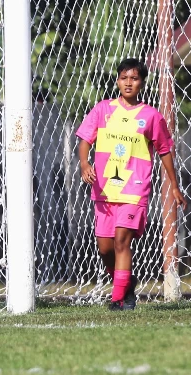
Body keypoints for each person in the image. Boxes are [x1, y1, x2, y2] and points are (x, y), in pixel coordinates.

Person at [76, 58, 187, 311]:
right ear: (117, 80)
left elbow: (165, 150)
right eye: (124, 77)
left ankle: (118, 301)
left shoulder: (151, 116)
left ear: (141, 83)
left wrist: (174, 185)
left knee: (121, 242)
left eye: (134, 78)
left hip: (133, 189)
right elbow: (84, 140)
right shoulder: (103, 110)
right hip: (104, 190)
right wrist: (84, 163)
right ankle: (126, 284)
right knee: (105, 249)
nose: (129, 83)